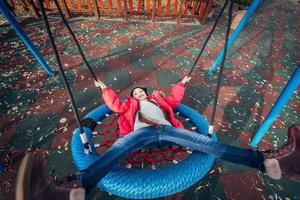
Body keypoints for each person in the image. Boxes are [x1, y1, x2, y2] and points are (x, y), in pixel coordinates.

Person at [81, 76, 300, 190]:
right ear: (132, 96)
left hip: (168, 131)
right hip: (141, 135)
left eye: (141, 91)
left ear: (146, 93)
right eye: (136, 92)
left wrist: (181, 84)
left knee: (208, 145)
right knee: (118, 149)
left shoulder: (158, 100)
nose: (138, 93)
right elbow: (115, 106)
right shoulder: (128, 106)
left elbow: (174, 100)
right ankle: (81, 184)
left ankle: (265, 162)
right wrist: (105, 89)